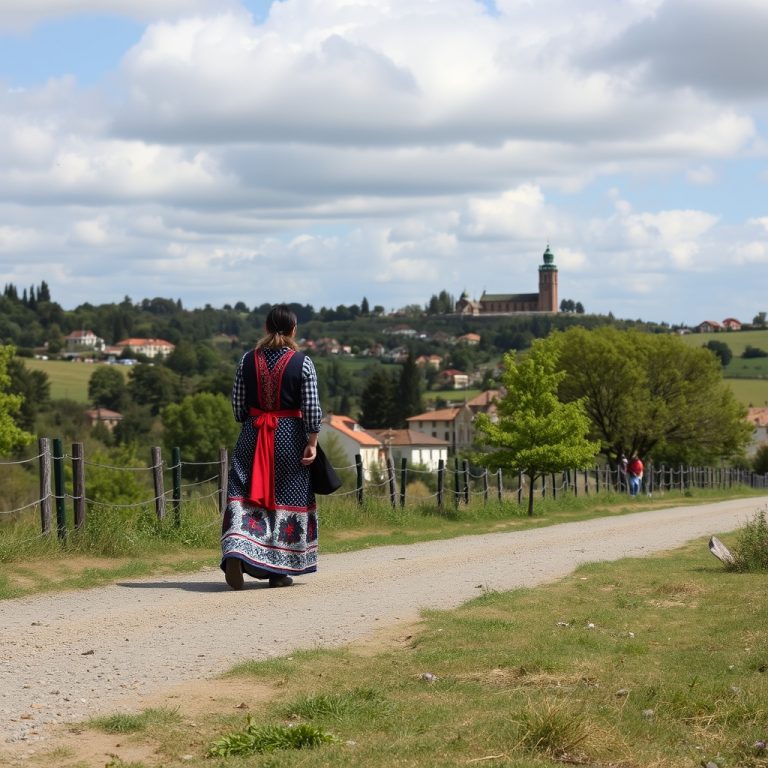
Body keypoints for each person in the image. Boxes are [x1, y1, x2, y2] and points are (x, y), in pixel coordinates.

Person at [220, 304, 323, 590]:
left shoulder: (246, 360)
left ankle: (237, 552)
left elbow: (238, 409)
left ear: (266, 328)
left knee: (243, 495)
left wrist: (254, 416)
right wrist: (312, 442)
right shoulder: (303, 363)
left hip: (252, 436)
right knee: (285, 500)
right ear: (293, 330)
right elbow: (312, 409)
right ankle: (278, 573)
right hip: (290, 439)